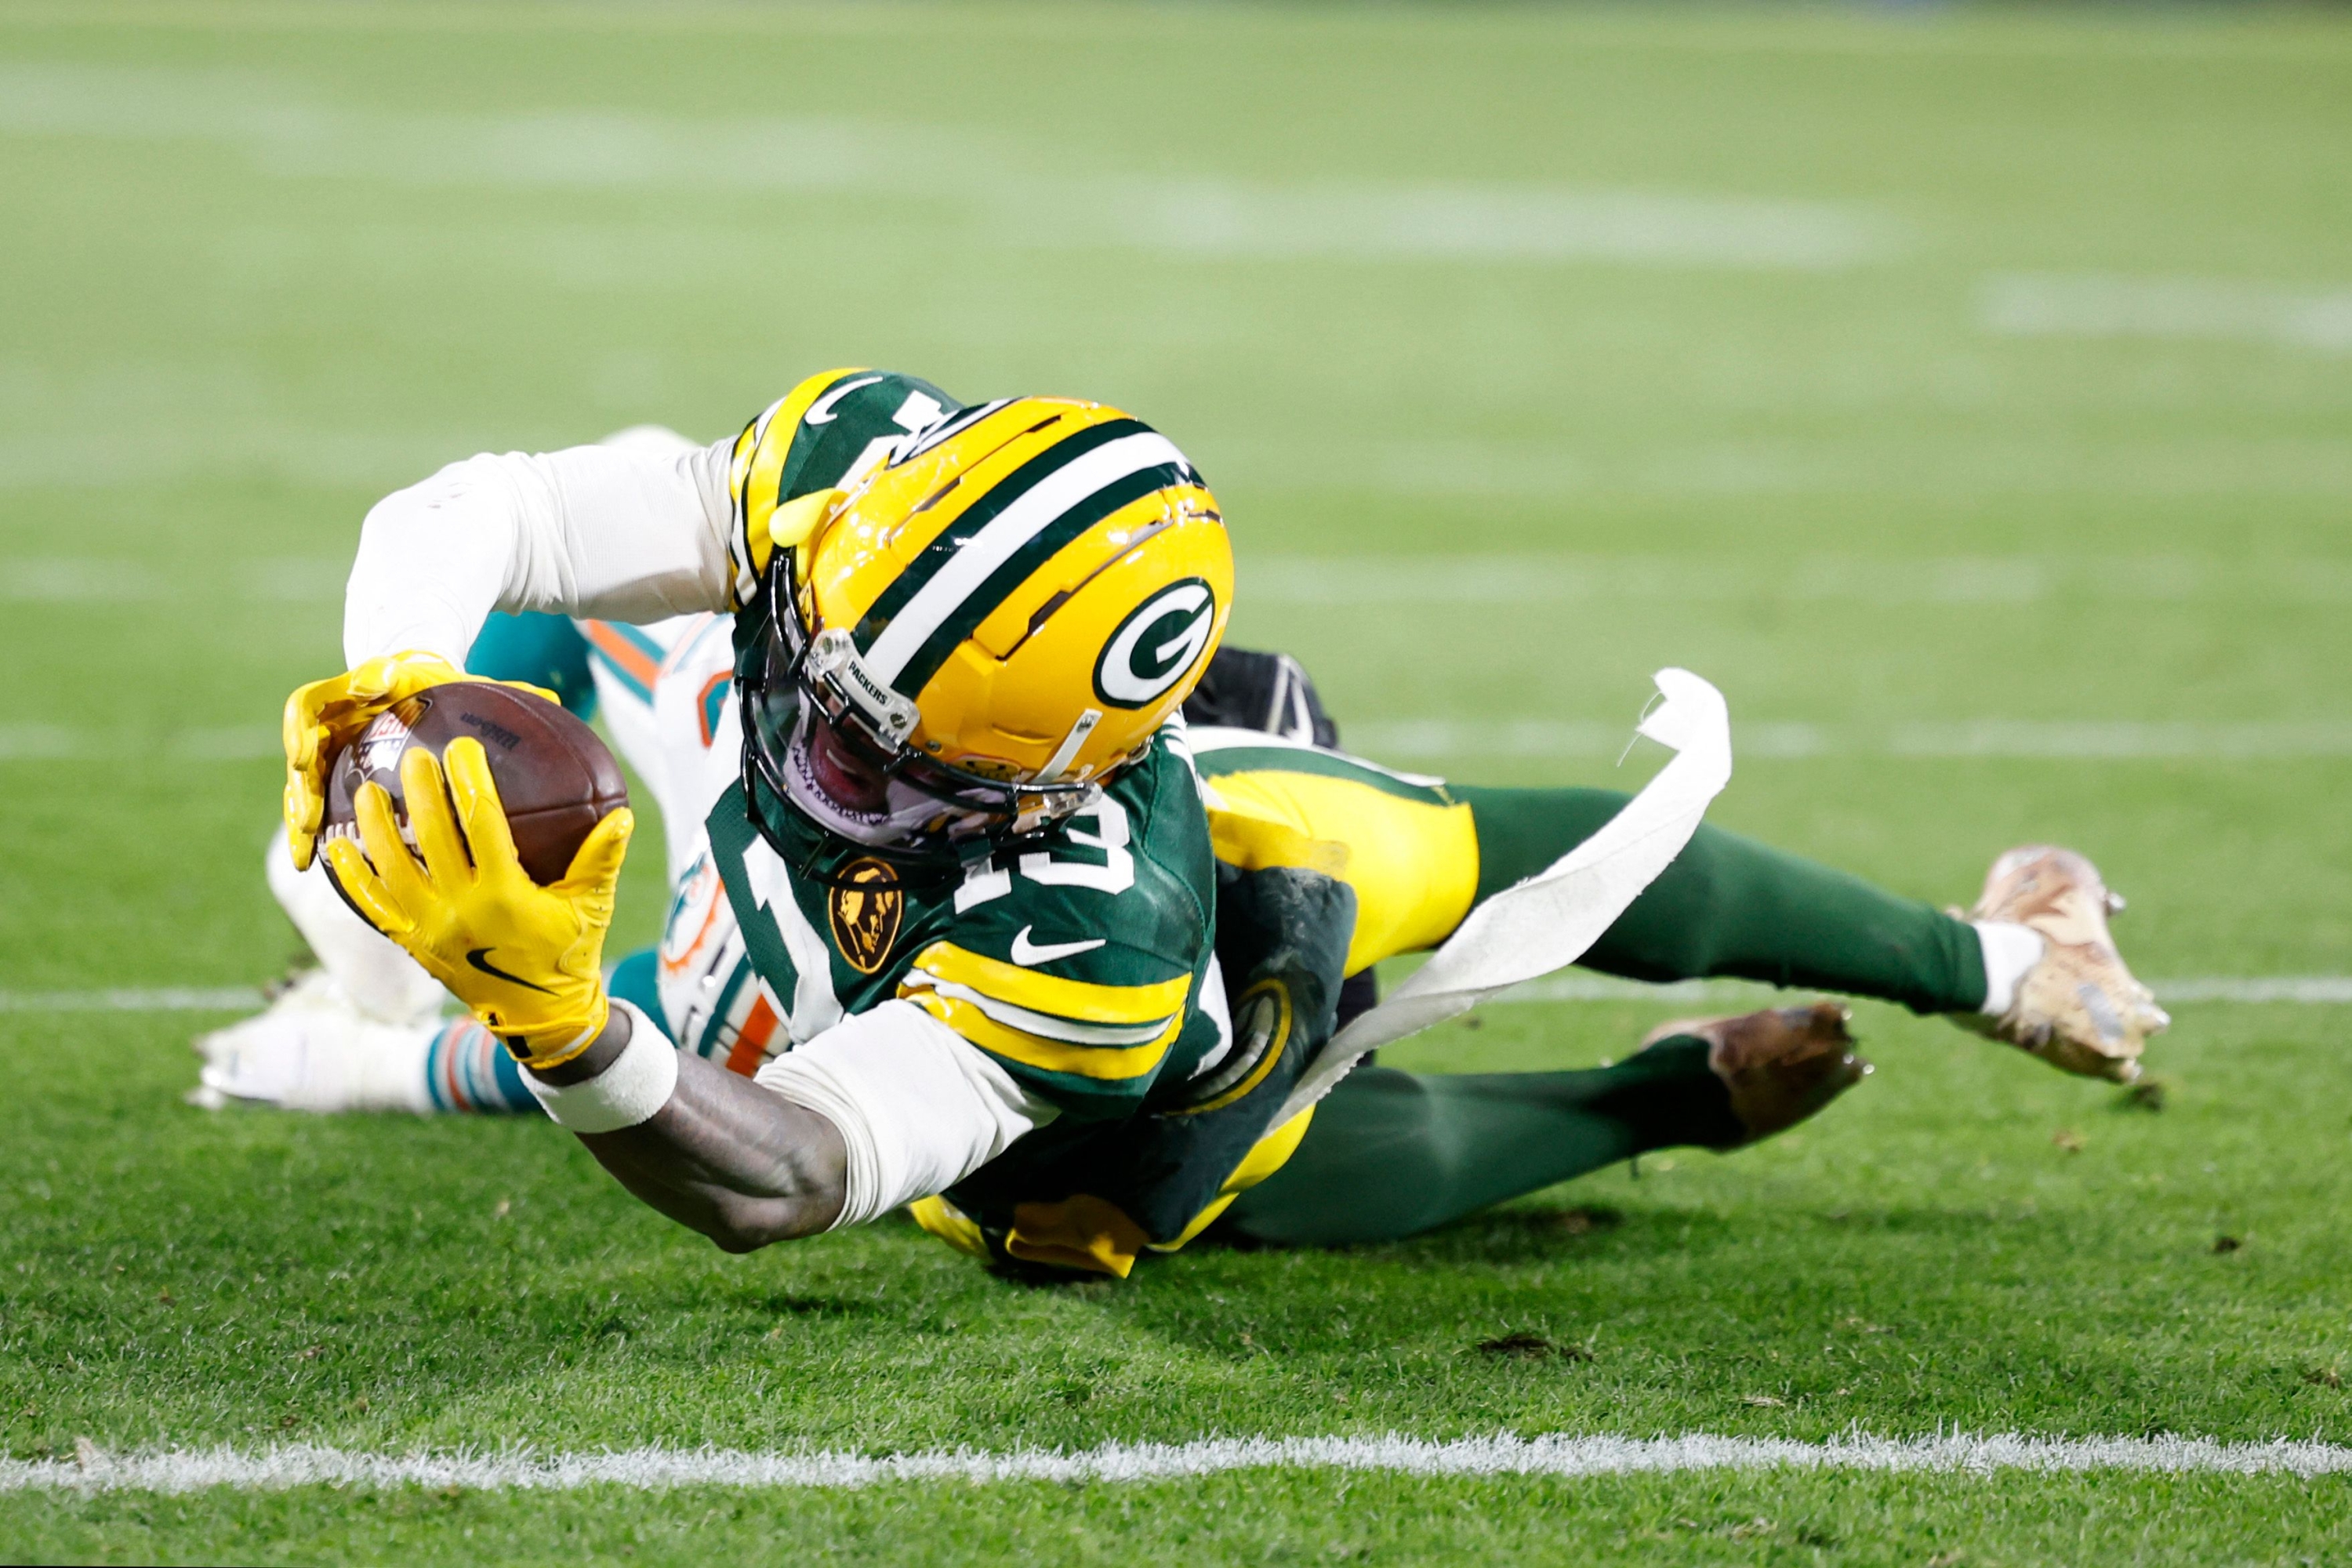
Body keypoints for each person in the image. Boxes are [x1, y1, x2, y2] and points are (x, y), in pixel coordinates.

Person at [210, 368, 2167, 1276]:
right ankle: (1707, 1075)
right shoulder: (843, 483)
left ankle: (1992, 971)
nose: (828, 748)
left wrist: (557, 1031)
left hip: (1140, 1021)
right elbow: (509, 520)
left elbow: (786, 1174)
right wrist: (401, 690)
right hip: (851, 942)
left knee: (1169, 1174)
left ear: (1038, 771)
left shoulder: (1095, 906)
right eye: (838, 688)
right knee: (579, 816)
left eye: (900, 756)